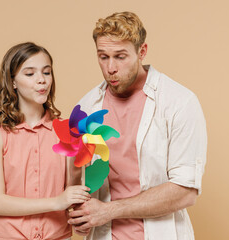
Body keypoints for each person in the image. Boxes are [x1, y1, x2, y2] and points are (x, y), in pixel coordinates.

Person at [68, 12, 207, 240]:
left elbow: (186, 192)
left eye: (120, 56)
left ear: (142, 52)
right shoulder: (86, 106)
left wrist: (109, 211)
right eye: (103, 57)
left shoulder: (179, 102)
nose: (111, 68)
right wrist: (80, 215)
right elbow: (78, 175)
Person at [0, 42, 90, 240]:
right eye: (30, 74)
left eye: (46, 72)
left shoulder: (67, 131)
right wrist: (56, 202)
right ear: (12, 81)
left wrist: (80, 218)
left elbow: (71, 196)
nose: (41, 80)